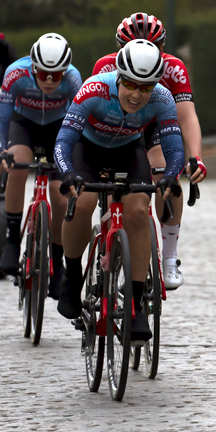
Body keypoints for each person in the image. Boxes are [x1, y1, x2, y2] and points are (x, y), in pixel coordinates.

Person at [54, 39, 185, 342]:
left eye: (146, 87)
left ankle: (136, 305)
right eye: (130, 84)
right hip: (88, 150)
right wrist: (68, 173)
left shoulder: (163, 98)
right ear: (118, 76)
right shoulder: (94, 90)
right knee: (82, 204)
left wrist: (171, 176)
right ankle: (72, 278)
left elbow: (173, 148)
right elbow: (64, 141)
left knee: (138, 212)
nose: (137, 95)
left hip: (129, 150)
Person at [92, 13, 205, 290]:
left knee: (166, 170)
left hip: (154, 127)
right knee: (109, 178)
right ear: (120, 50)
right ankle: (110, 235)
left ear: (162, 50)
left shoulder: (173, 68)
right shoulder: (105, 66)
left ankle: (169, 257)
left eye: (154, 48)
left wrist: (195, 157)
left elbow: (187, 116)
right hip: (116, 127)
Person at [0, 34, 82, 294]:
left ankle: (57, 262)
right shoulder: (15, 74)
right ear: (32, 66)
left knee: (59, 197)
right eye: (43, 73)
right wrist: (2, 151)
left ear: (65, 72)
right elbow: (1, 120)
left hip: (58, 128)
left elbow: (79, 123)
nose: (48, 80)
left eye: (56, 75)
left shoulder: (74, 79)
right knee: (17, 165)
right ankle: (12, 241)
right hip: (24, 126)